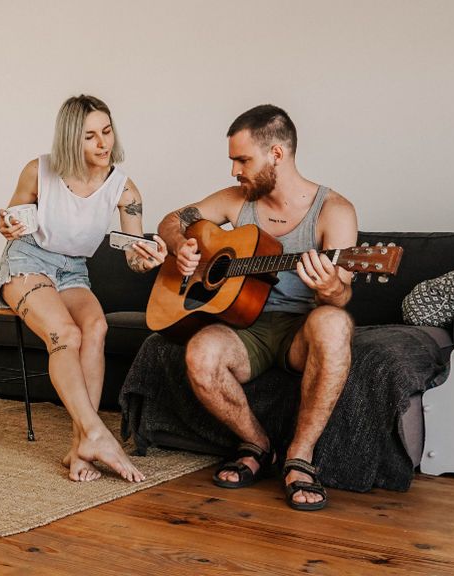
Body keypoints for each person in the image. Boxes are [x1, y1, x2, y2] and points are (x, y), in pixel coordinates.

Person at [156, 104, 358, 510]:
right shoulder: (236, 200)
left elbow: (342, 295)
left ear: (277, 154)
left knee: (335, 322)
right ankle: (256, 443)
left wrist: (331, 286)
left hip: (301, 331)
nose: (234, 171)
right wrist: (182, 247)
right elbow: (172, 220)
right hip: (245, 324)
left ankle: (299, 457)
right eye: (233, 160)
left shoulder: (334, 211)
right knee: (200, 351)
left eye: (243, 159)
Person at [0, 94, 167, 482]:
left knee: (96, 328)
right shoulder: (37, 171)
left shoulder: (125, 191)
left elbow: (133, 257)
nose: (103, 144)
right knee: (65, 334)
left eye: (106, 132)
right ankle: (96, 434)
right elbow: (10, 221)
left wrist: (147, 257)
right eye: (90, 136)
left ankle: (79, 447)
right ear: (72, 139)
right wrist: (5, 225)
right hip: (28, 260)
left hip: (73, 270)